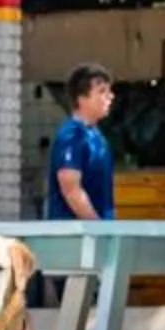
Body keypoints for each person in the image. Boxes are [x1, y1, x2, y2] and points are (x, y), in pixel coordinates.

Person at [46, 63, 117, 223]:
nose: (110, 96)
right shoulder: (72, 135)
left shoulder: (97, 136)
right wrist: (97, 227)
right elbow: (71, 189)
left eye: (109, 90)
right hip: (73, 235)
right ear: (82, 98)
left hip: (97, 232)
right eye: (101, 91)